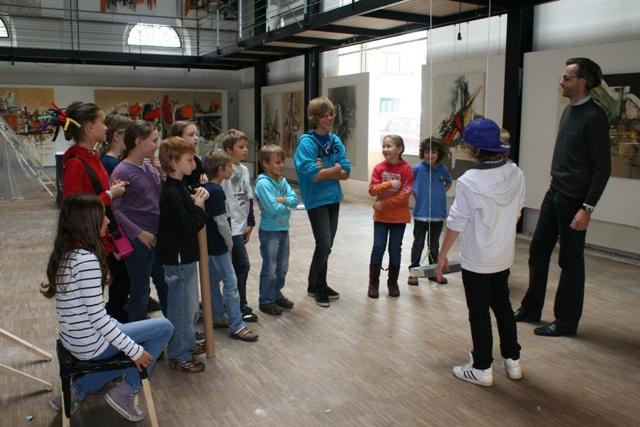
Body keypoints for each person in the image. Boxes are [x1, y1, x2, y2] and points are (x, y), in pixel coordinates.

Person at [43, 194, 173, 422]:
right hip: (89, 343)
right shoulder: (86, 261)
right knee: (164, 328)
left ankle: (76, 391)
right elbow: (98, 319)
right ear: (88, 221)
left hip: (73, 339)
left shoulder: (66, 253)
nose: (108, 221)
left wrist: (126, 340)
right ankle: (128, 390)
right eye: (103, 215)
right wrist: (135, 351)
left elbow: (89, 313)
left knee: (128, 340)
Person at [514, 57, 611, 337]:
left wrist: (587, 208)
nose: (561, 82)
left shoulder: (595, 117)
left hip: (575, 200)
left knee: (570, 262)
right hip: (555, 191)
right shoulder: (569, 111)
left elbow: (602, 169)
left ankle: (566, 321)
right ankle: (531, 308)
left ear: (583, 81)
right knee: (537, 251)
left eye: (567, 78)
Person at [437, 118, 525, 387]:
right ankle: (513, 361)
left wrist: (442, 255)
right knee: (503, 307)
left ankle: (482, 367)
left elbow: (456, 223)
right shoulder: (516, 173)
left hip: (477, 260)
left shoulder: (469, 181)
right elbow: (517, 213)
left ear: (473, 149)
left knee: (479, 313)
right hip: (502, 256)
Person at [157, 137, 211, 373]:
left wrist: (197, 196)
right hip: (178, 259)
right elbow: (187, 227)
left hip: (184, 257)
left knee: (190, 306)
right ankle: (178, 353)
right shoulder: (171, 192)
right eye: (189, 160)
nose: (194, 164)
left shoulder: (180, 186)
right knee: (182, 307)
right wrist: (198, 206)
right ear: (174, 162)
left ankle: (186, 342)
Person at [294, 97, 351, 308]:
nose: (329, 118)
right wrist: (334, 169)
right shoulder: (306, 143)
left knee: (326, 246)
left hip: (333, 198)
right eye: (325, 115)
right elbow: (314, 176)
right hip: (316, 200)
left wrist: (327, 170)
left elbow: (346, 173)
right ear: (314, 117)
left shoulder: (335, 141)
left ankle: (314, 284)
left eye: (331, 114)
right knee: (324, 244)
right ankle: (319, 286)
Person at [112, 120, 168, 322]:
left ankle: (174, 331)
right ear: (138, 142)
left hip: (158, 236)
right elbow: (115, 210)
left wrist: (162, 175)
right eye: (153, 140)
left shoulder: (150, 167)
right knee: (140, 291)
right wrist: (138, 234)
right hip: (140, 241)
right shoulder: (122, 171)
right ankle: (139, 334)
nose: (157, 145)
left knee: (165, 285)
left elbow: (161, 197)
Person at [202, 149, 259, 341]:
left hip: (209, 244)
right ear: (220, 170)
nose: (232, 170)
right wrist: (229, 244)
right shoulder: (217, 191)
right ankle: (237, 325)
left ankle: (218, 316)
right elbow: (221, 222)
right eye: (229, 167)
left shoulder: (207, 188)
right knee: (230, 283)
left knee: (212, 281)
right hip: (219, 245)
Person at [254, 144, 299, 314]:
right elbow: (272, 209)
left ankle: (275, 294)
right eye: (277, 162)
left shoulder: (282, 181)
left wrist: (281, 200)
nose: (282, 165)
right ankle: (266, 300)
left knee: (282, 267)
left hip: (283, 229)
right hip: (270, 232)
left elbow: (294, 200)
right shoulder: (263, 184)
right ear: (265, 164)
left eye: (282, 162)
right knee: (270, 268)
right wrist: (285, 205)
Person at [367, 134, 413, 298]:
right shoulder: (379, 168)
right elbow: (372, 190)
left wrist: (384, 203)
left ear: (399, 149)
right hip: (381, 217)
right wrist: (389, 184)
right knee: (378, 247)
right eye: (383, 146)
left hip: (399, 217)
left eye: (389, 146)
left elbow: (405, 195)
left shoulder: (407, 169)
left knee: (395, 249)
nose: (385, 149)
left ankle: (392, 283)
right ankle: (373, 283)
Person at [98, 113, 133, 323]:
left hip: (115, 228)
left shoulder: (113, 161)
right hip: (114, 229)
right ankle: (116, 316)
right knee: (120, 277)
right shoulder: (109, 163)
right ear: (117, 137)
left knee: (123, 278)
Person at [221, 129, 258, 322]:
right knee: (242, 266)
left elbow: (248, 197)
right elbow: (222, 202)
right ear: (229, 149)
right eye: (240, 147)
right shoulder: (224, 171)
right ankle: (238, 305)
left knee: (239, 267)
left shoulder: (244, 169)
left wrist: (250, 222)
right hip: (231, 228)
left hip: (241, 226)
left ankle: (235, 303)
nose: (245, 150)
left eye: (246, 147)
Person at [407, 137, 452, 286]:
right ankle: (413, 273)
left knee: (434, 246)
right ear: (423, 153)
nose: (430, 155)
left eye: (433, 152)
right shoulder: (417, 169)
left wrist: (440, 193)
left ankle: (433, 273)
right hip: (421, 215)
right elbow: (408, 183)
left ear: (439, 154)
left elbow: (449, 182)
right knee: (418, 244)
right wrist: (416, 195)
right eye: (427, 152)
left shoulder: (443, 169)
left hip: (437, 216)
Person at [170, 121, 207, 189]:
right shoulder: (173, 160)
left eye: (196, 134)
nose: (196, 138)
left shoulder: (196, 159)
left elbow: (203, 177)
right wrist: (198, 185)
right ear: (179, 138)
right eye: (191, 135)